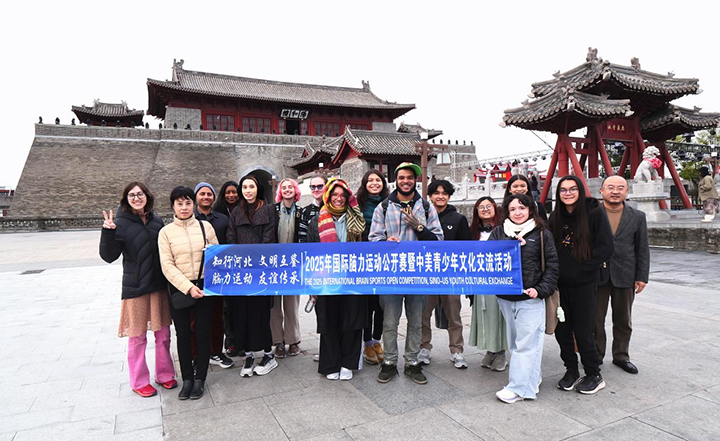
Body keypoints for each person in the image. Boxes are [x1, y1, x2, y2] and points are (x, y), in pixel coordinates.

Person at [369, 162, 444, 385]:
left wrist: (419, 227)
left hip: (418, 274)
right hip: (391, 275)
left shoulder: (427, 207)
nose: (406, 181)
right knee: (390, 322)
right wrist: (385, 242)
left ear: (416, 180)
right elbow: (373, 239)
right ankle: (389, 362)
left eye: (410, 177)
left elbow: (439, 240)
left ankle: (412, 362)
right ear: (396, 180)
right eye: (402, 177)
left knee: (416, 321)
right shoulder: (383, 207)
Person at [100, 182, 176, 398]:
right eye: (132, 195)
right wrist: (108, 232)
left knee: (163, 335)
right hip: (136, 287)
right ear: (126, 199)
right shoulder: (120, 223)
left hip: (159, 285)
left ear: (147, 196)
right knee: (137, 337)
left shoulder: (156, 221)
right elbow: (109, 256)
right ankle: (139, 381)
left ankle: (165, 374)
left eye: (140, 194)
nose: (136, 198)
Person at [491, 194, 559, 403]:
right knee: (515, 343)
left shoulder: (542, 234)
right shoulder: (499, 232)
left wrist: (540, 289)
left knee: (527, 344)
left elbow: (552, 266)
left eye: (522, 208)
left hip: (531, 298)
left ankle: (519, 389)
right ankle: (531, 378)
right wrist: (510, 247)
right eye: (512, 209)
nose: (517, 212)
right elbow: (488, 259)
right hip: (505, 296)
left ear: (530, 210)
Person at [549, 175, 614, 395]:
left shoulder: (594, 213)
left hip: (584, 283)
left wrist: (583, 268)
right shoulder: (555, 217)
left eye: (572, 189)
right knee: (562, 331)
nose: (568, 193)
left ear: (580, 190)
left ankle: (594, 373)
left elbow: (606, 247)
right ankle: (571, 370)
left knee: (583, 330)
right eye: (563, 190)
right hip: (560, 285)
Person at [159, 186, 219, 400]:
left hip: (204, 286)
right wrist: (188, 287)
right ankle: (187, 378)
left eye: (187, 203)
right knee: (183, 335)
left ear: (193, 204)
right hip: (180, 287)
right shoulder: (165, 232)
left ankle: (200, 377)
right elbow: (167, 265)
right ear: (173, 206)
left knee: (203, 333)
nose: (184, 207)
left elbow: (218, 257)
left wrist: (211, 254)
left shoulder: (205, 227)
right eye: (179, 203)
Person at [308, 178, 368, 380]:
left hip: (353, 279)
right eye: (334, 195)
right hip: (327, 280)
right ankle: (331, 363)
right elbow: (310, 254)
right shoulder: (316, 222)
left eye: (343, 195)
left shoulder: (357, 220)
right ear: (328, 196)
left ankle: (348, 363)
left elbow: (369, 246)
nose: (339, 199)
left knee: (351, 320)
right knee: (329, 321)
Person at [595, 176, 649, 374]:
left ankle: (621, 356)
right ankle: (596, 355)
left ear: (627, 192)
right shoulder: (592, 214)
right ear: (602, 191)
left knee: (623, 319)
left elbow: (642, 248)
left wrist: (642, 276)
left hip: (625, 273)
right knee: (595, 319)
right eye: (610, 187)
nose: (615, 191)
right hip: (596, 274)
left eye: (620, 188)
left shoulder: (637, 216)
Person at [227, 174, 278, 377]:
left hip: (261, 271)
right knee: (242, 315)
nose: (248, 191)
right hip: (241, 273)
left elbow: (269, 238)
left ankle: (268, 354)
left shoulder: (268, 210)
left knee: (261, 314)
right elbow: (231, 238)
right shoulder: (236, 212)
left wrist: (256, 261)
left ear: (258, 189)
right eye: (245, 187)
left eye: (252, 187)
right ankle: (248, 355)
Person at [419, 179, 471, 369]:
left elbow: (466, 247)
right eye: (436, 193)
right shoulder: (422, 217)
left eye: (444, 193)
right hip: (426, 275)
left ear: (449, 196)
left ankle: (457, 350)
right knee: (423, 315)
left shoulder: (458, 219)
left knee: (454, 315)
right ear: (430, 196)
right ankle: (424, 348)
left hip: (450, 275)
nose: (440, 196)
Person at [193, 182, 234, 369]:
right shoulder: (190, 218)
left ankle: (216, 351)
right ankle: (196, 355)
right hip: (196, 274)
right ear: (196, 197)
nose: (206, 197)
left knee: (217, 316)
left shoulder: (222, 219)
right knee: (195, 319)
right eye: (202, 194)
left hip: (218, 274)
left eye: (209, 194)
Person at [468, 196, 509, 372]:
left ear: (495, 208)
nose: (485, 209)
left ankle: (501, 352)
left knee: (498, 316)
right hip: (480, 281)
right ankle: (491, 350)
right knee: (484, 315)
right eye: (481, 207)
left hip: (499, 280)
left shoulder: (505, 228)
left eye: (488, 206)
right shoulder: (472, 232)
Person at [356, 169, 389, 364]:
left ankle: (377, 340)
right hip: (363, 261)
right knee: (367, 304)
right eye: (370, 180)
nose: (374, 183)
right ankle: (367, 342)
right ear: (364, 183)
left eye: (378, 180)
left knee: (381, 304)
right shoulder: (357, 204)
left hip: (384, 261)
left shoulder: (390, 204)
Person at [271, 178, 303, 358]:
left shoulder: (301, 211)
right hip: (274, 265)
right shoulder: (272, 211)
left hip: (293, 265)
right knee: (274, 306)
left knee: (291, 305)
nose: (287, 190)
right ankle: (278, 341)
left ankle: (293, 340)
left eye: (290, 187)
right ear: (280, 192)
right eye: (284, 187)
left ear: (295, 190)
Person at [212, 180, 240, 356]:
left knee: (238, 306)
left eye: (234, 192)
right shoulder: (218, 215)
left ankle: (241, 340)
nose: (231, 195)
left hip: (241, 264)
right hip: (222, 265)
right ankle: (229, 340)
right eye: (228, 192)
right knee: (226, 307)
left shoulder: (244, 210)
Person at [299, 174, 327, 243]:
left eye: (320, 186)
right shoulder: (305, 211)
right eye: (313, 187)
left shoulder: (334, 209)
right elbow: (302, 237)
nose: (316, 189)